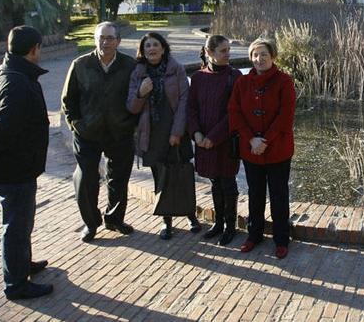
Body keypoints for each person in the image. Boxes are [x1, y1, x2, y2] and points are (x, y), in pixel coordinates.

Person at [0, 25, 52, 300]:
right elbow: (2, 128)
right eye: (40, 48)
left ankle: (22, 264)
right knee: (16, 226)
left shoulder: (0, 72)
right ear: (33, 49)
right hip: (12, 169)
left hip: (11, 166)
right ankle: (16, 284)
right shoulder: (17, 82)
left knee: (21, 222)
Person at [61, 21, 138, 242]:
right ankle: (91, 223)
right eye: (101, 38)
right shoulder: (80, 64)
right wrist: (77, 124)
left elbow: (136, 99)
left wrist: (130, 124)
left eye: (110, 38)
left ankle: (114, 219)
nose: (105, 42)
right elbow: (68, 101)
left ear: (118, 41)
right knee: (86, 179)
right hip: (88, 134)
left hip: (119, 132)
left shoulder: (129, 66)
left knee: (119, 179)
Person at [127, 32, 199, 239]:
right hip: (151, 133)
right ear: (143, 50)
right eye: (147, 45)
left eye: (155, 44)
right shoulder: (137, 73)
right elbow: (131, 107)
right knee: (161, 178)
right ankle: (166, 220)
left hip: (176, 131)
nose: (151, 48)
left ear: (163, 48)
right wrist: (141, 92)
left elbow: (185, 102)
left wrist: (177, 132)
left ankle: (190, 215)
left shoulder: (176, 69)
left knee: (182, 174)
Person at [228, 37, 296, 259]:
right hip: (251, 150)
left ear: (273, 56)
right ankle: (254, 235)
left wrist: (264, 140)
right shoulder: (242, 83)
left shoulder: (284, 81)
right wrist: (251, 139)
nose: (259, 59)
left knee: (278, 195)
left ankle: (281, 239)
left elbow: (285, 116)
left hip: (277, 149)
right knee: (255, 194)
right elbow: (235, 112)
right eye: (255, 55)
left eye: (264, 54)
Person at [188, 35, 242, 246]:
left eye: (229, 49)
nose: (228, 54)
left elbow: (235, 112)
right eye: (223, 50)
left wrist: (214, 137)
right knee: (214, 182)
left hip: (225, 142)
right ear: (209, 52)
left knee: (228, 183)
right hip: (204, 142)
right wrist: (197, 134)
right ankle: (218, 223)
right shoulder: (198, 78)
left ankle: (230, 226)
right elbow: (191, 109)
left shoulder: (235, 76)